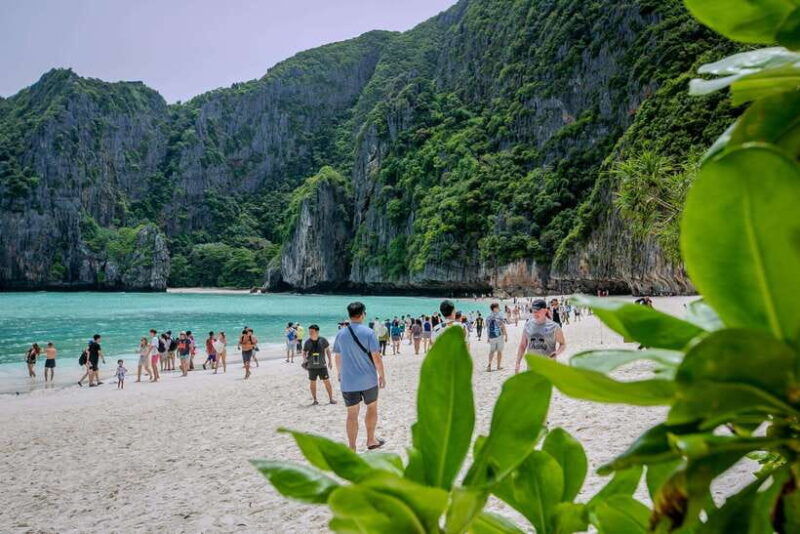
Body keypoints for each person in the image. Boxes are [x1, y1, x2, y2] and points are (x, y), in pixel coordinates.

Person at [334, 302, 386, 451]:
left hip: (348, 381)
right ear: (363, 314)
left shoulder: (341, 334)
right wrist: (382, 375)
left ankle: (352, 447)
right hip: (368, 380)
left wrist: (339, 373)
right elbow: (376, 357)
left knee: (352, 414)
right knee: (372, 407)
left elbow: (337, 357)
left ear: (349, 315)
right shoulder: (369, 332)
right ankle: (370, 440)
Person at [515, 299, 566, 374]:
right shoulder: (528, 324)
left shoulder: (554, 327)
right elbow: (522, 345)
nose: (535, 313)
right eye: (533, 311)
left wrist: (557, 352)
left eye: (538, 311)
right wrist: (518, 363)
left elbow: (563, 344)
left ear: (545, 310)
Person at [302, 324, 336, 405]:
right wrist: (305, 360)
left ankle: (331, 399)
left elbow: (328, 350)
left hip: (322, 366)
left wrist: (330, 361)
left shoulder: (323, 340)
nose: (310, 333)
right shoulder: (307, 342)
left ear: (317, 332)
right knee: (312, 383)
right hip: (311, 366)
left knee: (327, 382)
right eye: (309, 331)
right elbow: (304, 352)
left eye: (312, 331)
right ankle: (315, 400)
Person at [485, 303, 508, 372]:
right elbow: (503, 326)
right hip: (499, 336)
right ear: (494, 308)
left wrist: (488, 337)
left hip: (491, 337)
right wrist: (506, 335)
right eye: (498, 307)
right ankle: (498, 366)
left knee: (491, 351)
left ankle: (489, 365)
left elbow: (488, 328)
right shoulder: (499, 316)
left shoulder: (488, 317)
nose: (499, 309)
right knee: (499, 351)